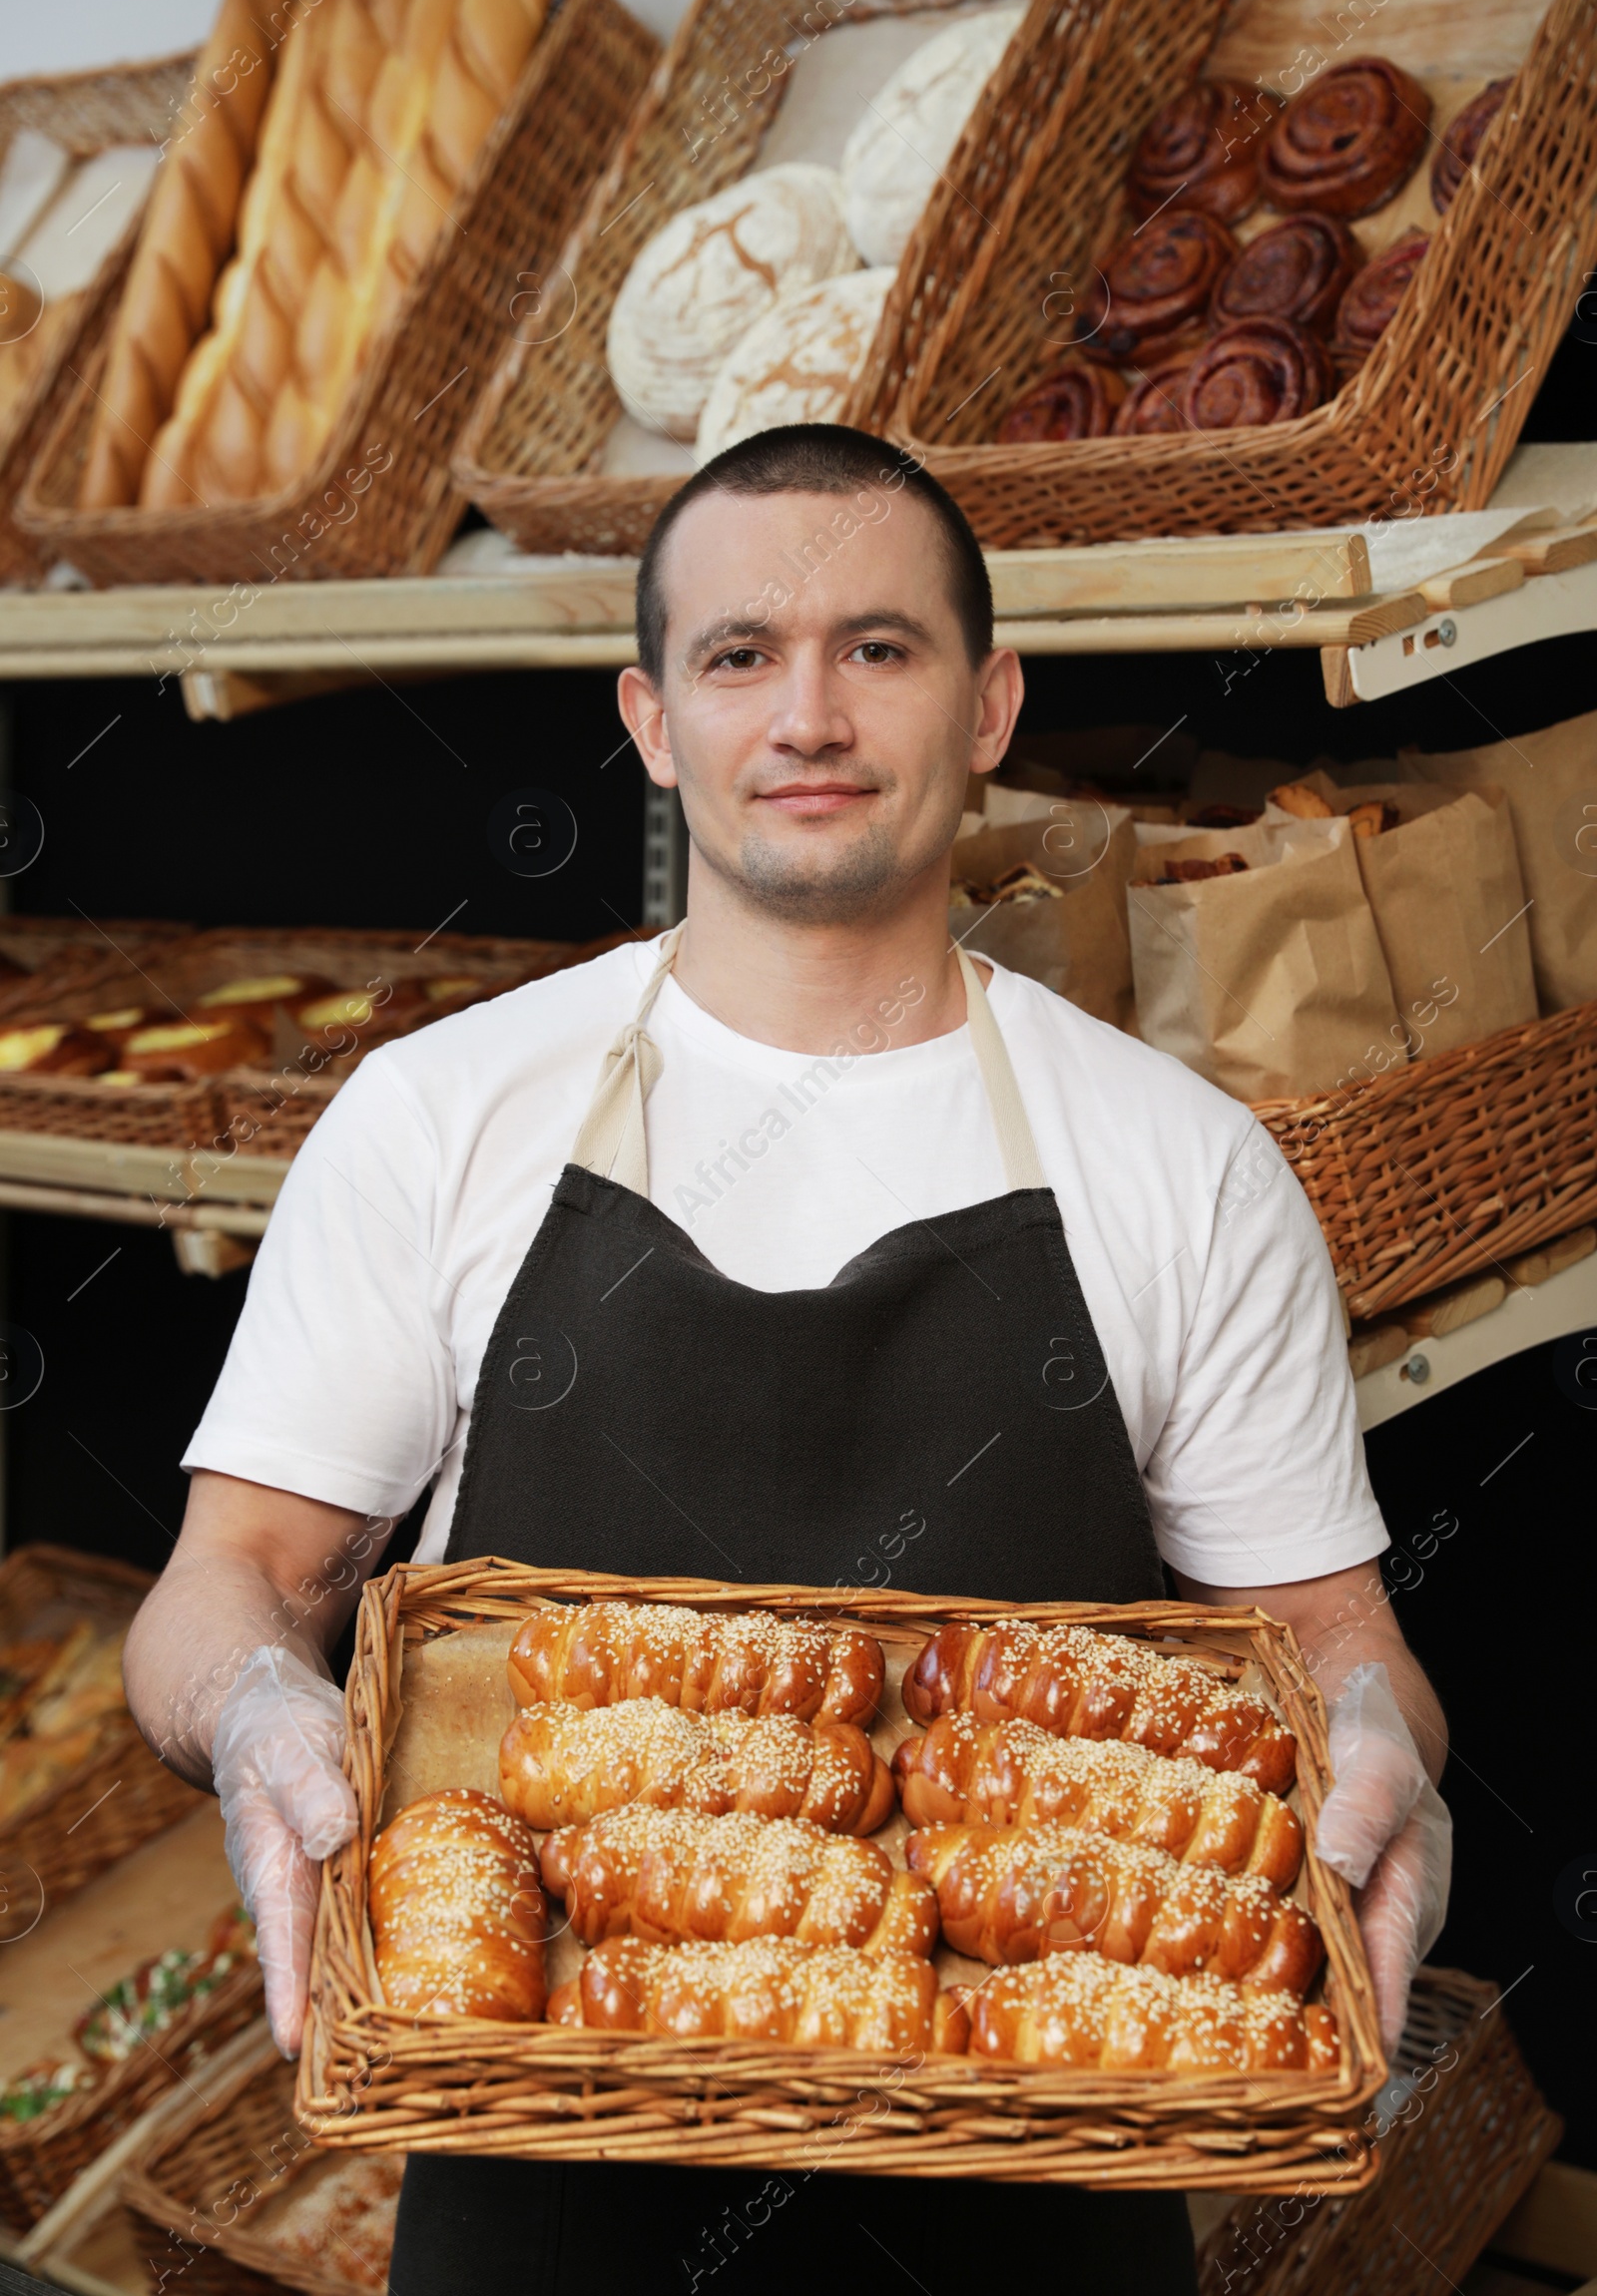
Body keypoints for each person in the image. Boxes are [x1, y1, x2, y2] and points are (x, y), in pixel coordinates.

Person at [125, 424, 1450, 2295]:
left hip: (1047, 2212)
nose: (809, 714)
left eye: (881, 650)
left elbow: (1333, 1650)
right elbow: (226, 1588)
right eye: (741, 655)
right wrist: (260, 1714)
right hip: (545, 2204)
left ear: (991, 704)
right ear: (653, 721)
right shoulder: (439, 1114)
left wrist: (1396, 1740)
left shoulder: (1186, 1164)